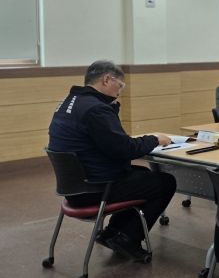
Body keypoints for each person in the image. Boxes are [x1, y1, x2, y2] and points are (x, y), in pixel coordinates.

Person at [48, 60, 177, 261]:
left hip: (74, 188)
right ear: (107, 79)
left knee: (143, 174)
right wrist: (154, 139)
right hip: (96, 189)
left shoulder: (68, 103)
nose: (120, 91)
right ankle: (126, 237)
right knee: (165, 182)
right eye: (120, 85)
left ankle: (114, 232)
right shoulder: (95, 109)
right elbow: (124, 149)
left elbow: (105, 140)